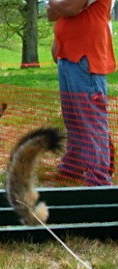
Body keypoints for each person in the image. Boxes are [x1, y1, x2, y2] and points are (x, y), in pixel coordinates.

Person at [47, 0, 116, 186]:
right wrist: (59, 7)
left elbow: (69, 7)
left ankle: (99, 180)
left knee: (90, 122)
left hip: (87, 58)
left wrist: (57, 4)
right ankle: (73, 168)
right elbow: (51, 14)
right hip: (69, 56)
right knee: (74, 119)